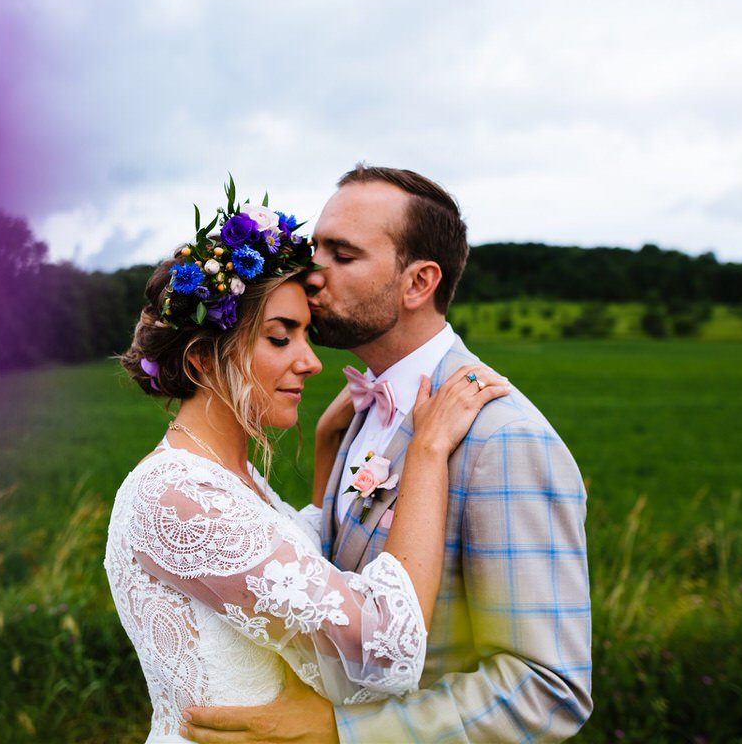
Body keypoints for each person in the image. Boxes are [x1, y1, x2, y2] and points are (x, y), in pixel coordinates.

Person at [181, 166, 593, 743]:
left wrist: (340, 730)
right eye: (313, 248)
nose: (309, 273)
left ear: (419, 282)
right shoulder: (362, 406)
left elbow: (545, 687)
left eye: (342, 255)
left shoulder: (502, 439)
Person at [104, 181, 511, 744]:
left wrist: (327, 446)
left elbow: (301, 560)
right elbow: (381, 645)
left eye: (305, 334)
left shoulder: (229, 479)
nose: (311, 361)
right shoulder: (177, 498)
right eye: (280, 337)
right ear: (201, 360)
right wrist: (426, 453)